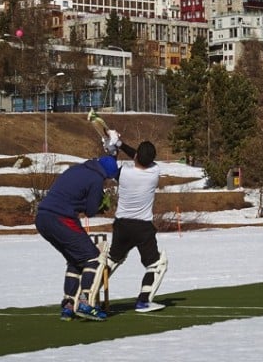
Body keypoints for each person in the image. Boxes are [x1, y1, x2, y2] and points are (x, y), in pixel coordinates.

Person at [35, 154, 120, 321]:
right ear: (107, 174)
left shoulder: (76, 168)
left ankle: (68, 305)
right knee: (93, 257)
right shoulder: (97, 179)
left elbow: (70, 197)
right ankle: (85, 302)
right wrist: (101, 205)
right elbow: (90, 210)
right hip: (61, 218)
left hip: (42, 218)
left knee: (76, 259)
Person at [105, 135, 169, 312]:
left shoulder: (123, 173)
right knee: (156, 264)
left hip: (122, 225)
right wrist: (119, 144)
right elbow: (140, 156)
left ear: (136, 156)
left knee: (112, 260)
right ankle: (143, 300)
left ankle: (88, 293)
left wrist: (113, 148)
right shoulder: (154, 172)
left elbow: (111, 167)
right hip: (142, 227)